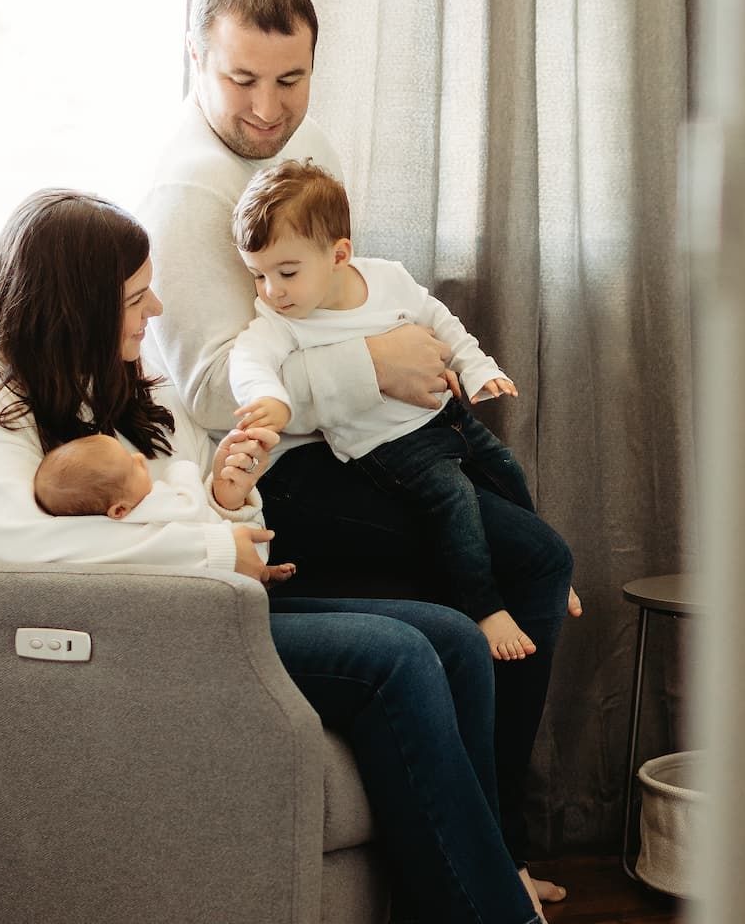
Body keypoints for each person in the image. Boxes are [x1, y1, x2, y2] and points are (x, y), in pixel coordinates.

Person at [0, 189, 596, 924]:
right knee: (393, 658)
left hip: (219, 595)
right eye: (136, 298)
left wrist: (229, 496)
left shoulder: (120, 376)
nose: (156, 310)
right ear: (75, 303)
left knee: (453, 636)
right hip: (136, 631)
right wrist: (216, 551)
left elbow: (197, 493)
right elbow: (13, 545)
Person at [138, 0, 579, 924]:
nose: (266, 108)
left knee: (540, 557)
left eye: (289, 80)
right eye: (241, 79)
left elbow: (336, 292)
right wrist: (376, 363)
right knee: (524, 563)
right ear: (197, 60)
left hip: (351, 447)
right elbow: (219, 390)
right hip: (272, 482)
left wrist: (394, 348)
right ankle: (488, 865)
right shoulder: (186, 194)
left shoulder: (305, 143)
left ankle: (500, 843)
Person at [228, 158, 569, 665]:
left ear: (339, 254)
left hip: (440, 411)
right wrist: (271, 400)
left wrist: (477, 368)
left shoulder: (387, 277)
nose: (271, 290)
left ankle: (553, 580)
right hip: (387, 447)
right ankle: (485, 607)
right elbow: (248, 360)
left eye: (287, 272)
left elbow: (441, 320)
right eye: (257, 275)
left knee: (504, 467)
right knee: (455, 501)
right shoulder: (281, 322)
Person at [33, 429, 265, 550]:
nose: (139, 458)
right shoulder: (151, 510)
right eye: (131, 466)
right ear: (119, 510)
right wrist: (180, 471)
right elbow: (192, 508)